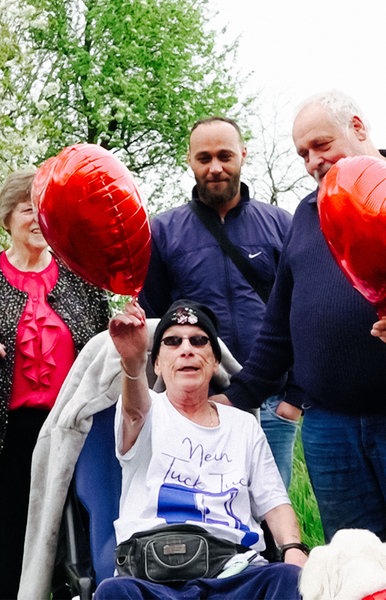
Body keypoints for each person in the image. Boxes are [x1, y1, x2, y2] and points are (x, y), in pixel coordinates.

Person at [218, 90, 386, 543]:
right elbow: (279, 324)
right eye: (303, 154)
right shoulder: (308, 214)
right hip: (328, 427)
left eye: (321, 145)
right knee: (355, 565)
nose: (313, 161)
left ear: (358, 127)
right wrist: (237, 396)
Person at [0, 169, 110, 599]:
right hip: (7, 439)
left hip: (77, 431)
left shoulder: (81, 278)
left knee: (85, 545)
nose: (39, 219)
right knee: (14, 546)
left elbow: (106, 350)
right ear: (7, 216)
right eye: (30, 208)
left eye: (48, 211)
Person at [92, 299, 308, 600]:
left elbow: (273, 500)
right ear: (156, 363)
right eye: (172, 342)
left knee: (287, 577)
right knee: (115, 592)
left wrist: (293, 549)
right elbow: (134, 413)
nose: (186, 350)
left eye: (199, 341)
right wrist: (132, 364)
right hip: (154, 578)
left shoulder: (243, 425)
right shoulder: (146, 412)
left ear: (215, 360)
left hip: (236, 573)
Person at [138, 116, 298, 488]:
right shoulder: (162, 232)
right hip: (198, 401)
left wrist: (296, 398)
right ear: (189, 161)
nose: (215, 168)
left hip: (274, 400)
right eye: (204, 158)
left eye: (225, 156)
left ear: (243, 154)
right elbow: (154, 321)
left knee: (273, 512)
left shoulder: (281, 225)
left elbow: (302, 315)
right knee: (208, 516)